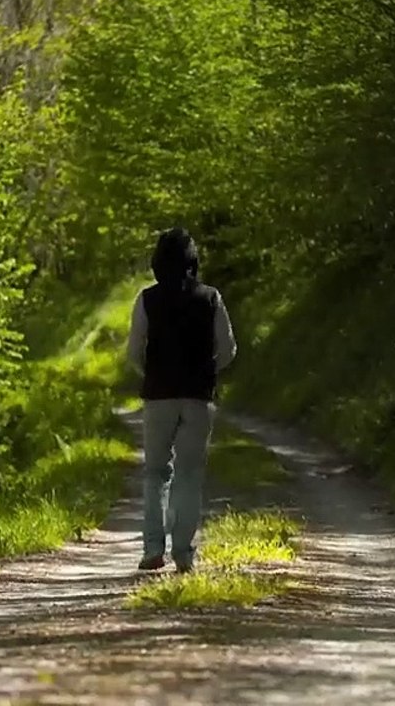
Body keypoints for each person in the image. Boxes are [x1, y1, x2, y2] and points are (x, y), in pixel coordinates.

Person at [126, 227, 237, 573]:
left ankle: (152, 549)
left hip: (158, 396)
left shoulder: (147, 299)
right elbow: (229, 350)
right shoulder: (211, 297)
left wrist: (151, 371)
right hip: (198, 396)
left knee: (156, 472)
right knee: (189, 473)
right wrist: (208, 369)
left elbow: (133, 352)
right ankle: (184, 554)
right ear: (193, 260)